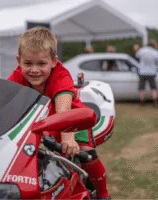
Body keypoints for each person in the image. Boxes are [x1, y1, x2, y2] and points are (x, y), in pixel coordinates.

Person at [8, 27, 110, 199]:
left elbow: (64, 109)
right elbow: (3, 99)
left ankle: (103, 193)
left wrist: (68, 137)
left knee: (86, 152)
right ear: (19, 61)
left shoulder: (61, 75)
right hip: (43, 122)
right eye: (28, 63)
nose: (34, 69)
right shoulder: (17, 76)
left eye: (41, 63)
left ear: (54, 61)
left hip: (74, 121)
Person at [135, 40, 158, 105]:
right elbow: (157, 61)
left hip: (142, 71)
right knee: (153, 88)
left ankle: (142, 101)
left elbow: (137, 56)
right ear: (154, 45)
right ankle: (155, 101)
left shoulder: (142, 50)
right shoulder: (155, 52)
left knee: (142, 88)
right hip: (152, 72)